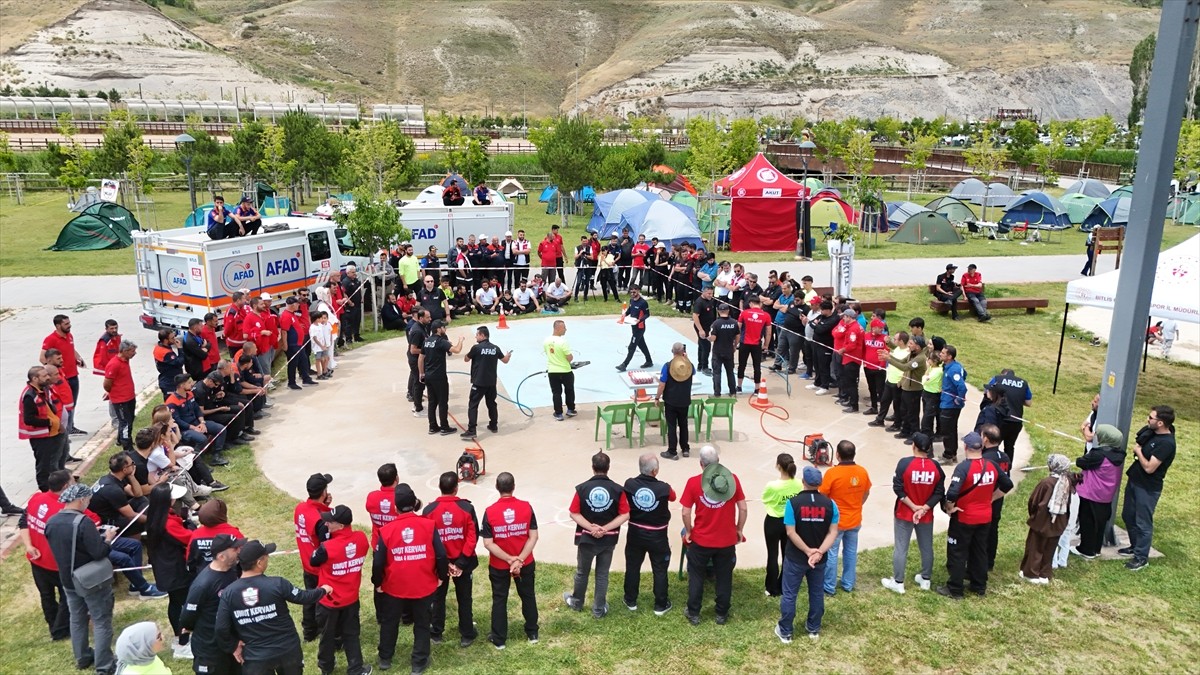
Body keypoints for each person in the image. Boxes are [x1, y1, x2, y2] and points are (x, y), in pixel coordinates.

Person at [216, 540, 333, 675]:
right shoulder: (277, 584)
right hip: (287, 652)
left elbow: (221, 628)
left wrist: (233, 646)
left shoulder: (229, 593)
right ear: (259, 563)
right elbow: (304, 597)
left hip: (256, 658)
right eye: (266, 556)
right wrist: (323, 590)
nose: (268, 559)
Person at [44, 482, 118, 674]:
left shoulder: (51, 522)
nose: (88, 504)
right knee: (101, 621)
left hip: (68, 578)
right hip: (90, 580)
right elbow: (99, 552)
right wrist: (108, 538)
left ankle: (82, 657)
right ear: (81, 499)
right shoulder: (83, 522)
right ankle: (104, 665)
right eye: (88, 500)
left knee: (77, 619)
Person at [937, 432, 1013, 600]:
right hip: (985, 516)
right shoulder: (991, 465)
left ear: (966, 447)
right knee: (979, 551)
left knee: (957, 552)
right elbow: (1007, 484)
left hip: (964, 517)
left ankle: (955, 588)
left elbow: (952, 493)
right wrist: (992, 498)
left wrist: (950, 508)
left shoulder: (964, 467)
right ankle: (979, 585)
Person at [680, 446, 746, 626]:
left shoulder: (693, 482)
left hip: (701, 540)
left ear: (701, 464)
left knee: (696, 575)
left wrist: (689, 531)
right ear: (718, 462)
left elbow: (686, 512)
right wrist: (739, 529)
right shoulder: (732, 480)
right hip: (726, 540)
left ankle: (693, 612)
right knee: (724, 576)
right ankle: (721, 614)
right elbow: (743, 508)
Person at [775, 466, 838, 643]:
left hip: (796, 557)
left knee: (789, 594)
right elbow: (833, 532)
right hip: (819, 560)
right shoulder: (831, 504)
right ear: (820, 483)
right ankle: (813, 628)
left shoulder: (792, 503)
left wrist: (807, 550)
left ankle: (786, 631)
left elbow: (790, 532)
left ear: (803, 482)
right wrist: (818, 552)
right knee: (816, 593)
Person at [564, 452, 630, 618]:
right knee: (602, 574)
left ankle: (577, 602)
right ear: (608, 468)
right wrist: (605, 529)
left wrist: (591, 528)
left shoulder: (582, 488)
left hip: (587, 539)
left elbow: (574, 513)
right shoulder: (617, 489)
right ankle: (598, 609)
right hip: (608, 540)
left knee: (582, 572)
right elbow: (625, 514)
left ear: (593, 467)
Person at [310, 505, 371, 675]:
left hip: (329, 601)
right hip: (351, 598)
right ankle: (356, 668)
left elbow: (313, 561)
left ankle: (326, 667)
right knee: (351, 634)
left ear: (341, 525)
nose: (326, 523)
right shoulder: (361, 539)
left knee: (327, 636)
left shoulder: (327, 548)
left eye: (331, 521)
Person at [480, 472, 539, 649]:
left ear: (497, 488)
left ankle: (499, 639)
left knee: (499, 599)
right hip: (525, 562)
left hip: (499, 565)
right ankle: (532, 633)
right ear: (513, 487)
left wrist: (508, 559)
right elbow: (534, 536)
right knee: (528, 596)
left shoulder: (490, 512)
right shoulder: (526, 507)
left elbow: (488, 543)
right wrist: (519, 560)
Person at [882, 432, 945, 594]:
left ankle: (898, 582)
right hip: (926, 514)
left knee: (901, 547)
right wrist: (924, 508)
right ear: (929, 448)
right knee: (926, 547)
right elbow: (939, 492)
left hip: (904, 513)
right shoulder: (936, 467)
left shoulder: (904, 464)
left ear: (913, 446)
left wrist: (913, 507)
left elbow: (898, 488)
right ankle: (925, 579)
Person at [422, 472, 480, 648]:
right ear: (456, 488)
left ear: (440, 488)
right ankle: (467, 634)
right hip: (463, 561)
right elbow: (473, 536)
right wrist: (460, 563)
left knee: (438, 597)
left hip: (439, 564)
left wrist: (445, 564)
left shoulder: (429, 511)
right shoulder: (466, 508)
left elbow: (428, 540)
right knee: (464, 598)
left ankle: (436, 632)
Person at [18, 469, 74, 641]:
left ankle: (53, 624)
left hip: (36, 559)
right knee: (67, 596)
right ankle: (60, 630)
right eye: (73, 482)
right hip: (56, 563)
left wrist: (28, 545)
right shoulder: (64, 509)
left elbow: (24, 522)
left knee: (46, 595)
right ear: (66, 486)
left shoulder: (36, 499)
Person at [1120, 405, 1176, 571]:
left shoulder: (1166, 444)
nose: (1147, 419)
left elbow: (1150, 468)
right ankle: (1134, 545)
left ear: (1160, 423)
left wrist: (1138, 451)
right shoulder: (1152, 433)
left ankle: (1141, 557)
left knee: (1143, 522)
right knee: (1128, 515)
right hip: (1135, 481)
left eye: (1151, 418)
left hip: (1148, 488)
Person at [143, 483, 195, 659]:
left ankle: (179, 638)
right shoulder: (168, 523)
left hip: (165, 568)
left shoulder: (156, 516)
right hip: (174, 570)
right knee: (185, 606)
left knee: (175, 604)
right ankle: (182, 644)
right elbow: (188, 538)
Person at [180, 533, 243, 675]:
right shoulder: (203, 584)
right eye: (235, 549)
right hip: (210, 650)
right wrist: (190, 627)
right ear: (221, 557)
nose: (239, 551)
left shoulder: (231, 571)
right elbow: (187, 616)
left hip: (230, 643)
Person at [622, 453, 675, 615]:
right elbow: (673, 497)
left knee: (632, 566)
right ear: (655, 471)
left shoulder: (630, 484)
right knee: (659, 569)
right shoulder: (663, 488)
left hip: (635, 533)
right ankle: (660, 604)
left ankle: (630, 600)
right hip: (657, 536)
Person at [819, 441, 871, 595]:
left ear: (837, 455)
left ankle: (829, 586)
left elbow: (822, 495)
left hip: (836, 523)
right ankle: (848, 584)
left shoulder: (832, 474)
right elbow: (866, 492)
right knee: (850, 552)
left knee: (832, 553)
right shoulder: (862, 472)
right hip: (855, 520)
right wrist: (857, 504)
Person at [1019, 454, 1075, 585]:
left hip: (1042, 521)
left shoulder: (1046, 483)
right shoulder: (1067, 483)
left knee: (1035, 547)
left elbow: (1034, 501)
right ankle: (1044, 574)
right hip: (1059, 523)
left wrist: (1034, 516)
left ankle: (1032, 574)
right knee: (1050, 549)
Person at [1073, 424, 1126, 559]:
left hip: (1091, 493)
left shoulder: (1098, 455)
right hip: (1105, 495)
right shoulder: (1119, 454)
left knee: (1087, 521)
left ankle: (1086, 550)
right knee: (1100, 522)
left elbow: (1080, 462)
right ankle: (1096, 549)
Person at [761, 454, 803, 598]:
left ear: (778, 466)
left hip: (773, 521)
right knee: (788, 555)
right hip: (790, 522)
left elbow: (766, 499)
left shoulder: (772, 485)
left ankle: (771, 587)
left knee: (772, 555)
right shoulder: (798, 484)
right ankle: (783, 585)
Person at [461, 326, 512, 439]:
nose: (475, 336)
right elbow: (505, 361)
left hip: (479, 382)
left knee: (473, 405)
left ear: (482, 335)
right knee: (491, 404)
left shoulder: (476, 348)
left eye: (477, 334)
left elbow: (466, 359)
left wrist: (466, 355)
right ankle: (493, 425)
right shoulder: (495, 348)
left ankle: (472, 430)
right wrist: (508, 356)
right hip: (491, 382)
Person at [20, 365, 65, 492]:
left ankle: (55, 486)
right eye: (44, 376)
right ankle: (45, 489)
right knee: (43, 465)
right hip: (40, 437)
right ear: (35, 378)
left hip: (49, 434)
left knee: (51, 462)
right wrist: (50, 422)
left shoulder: (40, 390)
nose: (48, 377)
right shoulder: (29, 396)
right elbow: (28, 419)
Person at [42, 314, 87, 435]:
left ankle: (71, 426)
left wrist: (79, 359)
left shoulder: (69, 335)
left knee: (72, 403)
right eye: (66, 324)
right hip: (61, 378)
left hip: (73, 375)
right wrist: (54, 372)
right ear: (58, 325)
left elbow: (72, 349)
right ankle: (63, 430)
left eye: (69, 323)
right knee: (63, 406)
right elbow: (42, 358)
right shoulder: (50, 339)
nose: (69, 326)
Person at [419, 320, 464, 436]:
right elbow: (457, 350)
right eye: (444, 327)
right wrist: (460, 340)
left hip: (428, 375)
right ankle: (444, 426)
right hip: (439, 376)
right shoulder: (441, 342)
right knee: (443, 402)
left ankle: (432, 426)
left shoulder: (427, 341)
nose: (445, 329)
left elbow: (421, 358)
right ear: (438, 329)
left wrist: (421, 373)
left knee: (432, 402)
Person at [979, 424, 1012, 572]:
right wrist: (996, 497)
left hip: (984, 501)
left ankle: (980, 562)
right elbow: (1006, 482)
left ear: (985, 439)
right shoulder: (1004, 457)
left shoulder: (985, 459)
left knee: (982, 532)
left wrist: (990, 498)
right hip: (998, 500)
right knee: (993, 530)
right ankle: (989, 562)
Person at [655, 343, 695, 461]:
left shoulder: (667, 366)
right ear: (683, 351)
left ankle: (672, 451)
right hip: (684, 400)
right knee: (684, 425)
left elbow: (662, 384)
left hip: (671, 400)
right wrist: (686, 358)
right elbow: (693, 372)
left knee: (672, 426)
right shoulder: (689, 366)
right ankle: (685, 449)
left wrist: (657, 397)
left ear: (672, 351)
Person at [186, 499, 242, 572]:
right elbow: (244, 558)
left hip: (203, 576)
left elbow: (189, 558)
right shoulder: (234, 534)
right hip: (230, 577)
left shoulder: (196, 534)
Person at [542, 319, 578, 423]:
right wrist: (570, 357)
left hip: (552, 371)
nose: (566, 330)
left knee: (556, 393)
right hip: (565, 371)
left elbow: (548, 353)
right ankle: (570, 409)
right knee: (569, 390)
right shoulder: (563, 342)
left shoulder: (546, 341)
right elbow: (569, 358)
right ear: (557, 329)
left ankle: (558, 413)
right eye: (564, 328)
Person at [937, 345, 967, 463]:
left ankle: (948, 455)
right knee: (952, 429)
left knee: (947, 430)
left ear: (949, 356)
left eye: (943, 353)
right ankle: (951, 453)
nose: (940, 354)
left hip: (950, 404)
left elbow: (962, 387)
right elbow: (965, 374)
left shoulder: (953, 370)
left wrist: (959, 399)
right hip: (948, 402)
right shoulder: (954, 366)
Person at [736, 295, 770, 393]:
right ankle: (757, 389)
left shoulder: (744, 313)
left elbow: (738, 329)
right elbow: (768, 332)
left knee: (742, 365)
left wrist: (735, 343)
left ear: (751, 303)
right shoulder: (766, 315)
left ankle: (739, 387)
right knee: (757, 366)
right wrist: (766, 345)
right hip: (757, 344)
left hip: (744, 343)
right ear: (759, 304)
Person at [834, 309, 865, 413]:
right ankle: (852, 401)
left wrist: (843, 349)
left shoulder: (853, 329)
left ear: (849, 317)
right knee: (849, 381)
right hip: (852, 357)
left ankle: (854, 405)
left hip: (852, 358)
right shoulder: (854, 327)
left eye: (845, 316)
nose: (843, 318)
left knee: (851, 383)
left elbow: (852, 345)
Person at [616, 286, 653, 371]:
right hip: (633, 326)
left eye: (634, 292)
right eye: (631, 292)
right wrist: (625, 314)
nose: (632, 294)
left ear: (638, 291)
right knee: (642, 345)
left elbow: (647, 314)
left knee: (631, 347)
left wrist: (640, 320)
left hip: (640, 327)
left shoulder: (643, 303)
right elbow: (630, 309)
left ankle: (624, 365)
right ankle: (649, 361)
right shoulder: (631, 300)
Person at [708, 304, 740, 397]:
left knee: (717, 373)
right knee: (730, 372)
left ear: (718, 311)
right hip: (729, 350)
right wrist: (734, 346)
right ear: (728, 311)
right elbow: (737, 336)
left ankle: (717, 393)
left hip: (718, 351)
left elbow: (713, 338)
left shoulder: (716, 323)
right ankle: (733, 392)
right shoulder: (734, 323)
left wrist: (708, 338)